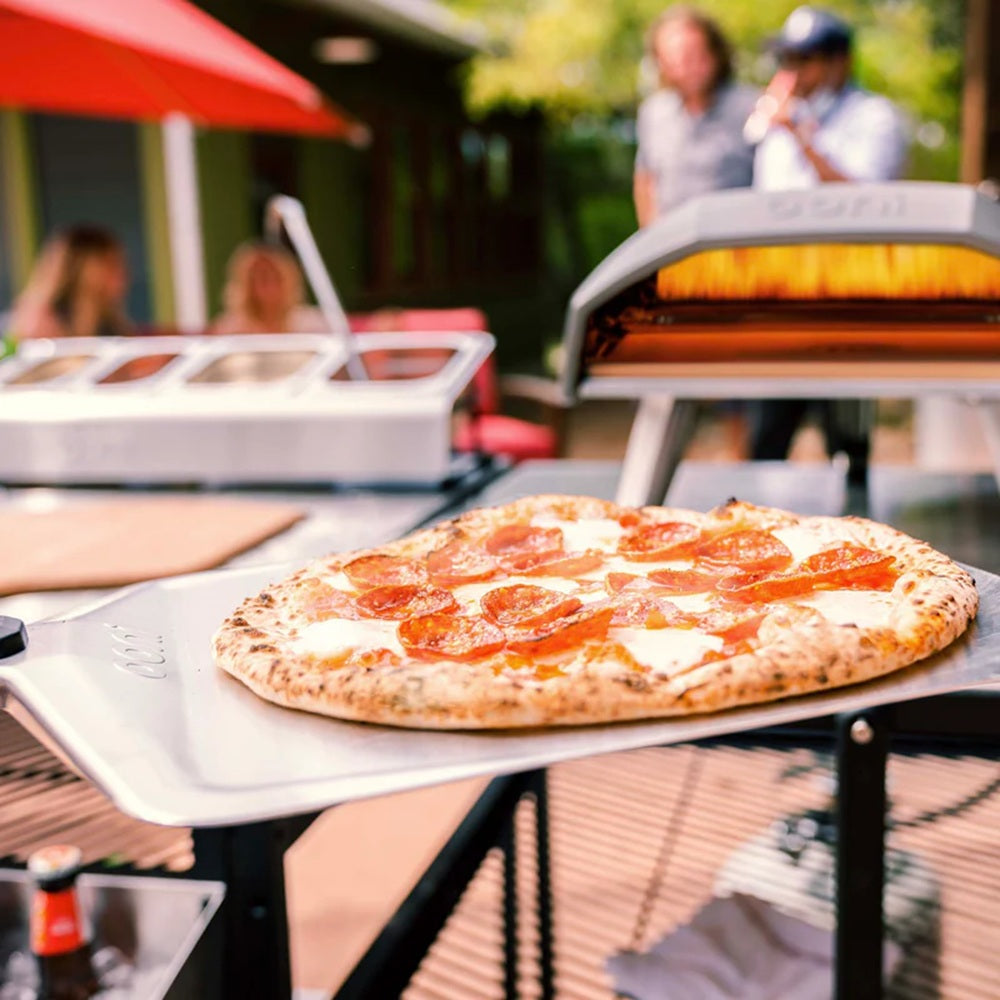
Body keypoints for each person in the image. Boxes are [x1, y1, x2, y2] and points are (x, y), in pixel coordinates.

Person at [749, 6, 908, 484]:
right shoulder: (773, 125)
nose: (793, 69)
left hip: (846, 299)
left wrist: (800, 136)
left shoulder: (874, 117)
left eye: (805, 57)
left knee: (847, 443)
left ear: (839, 61)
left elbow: (866, 201)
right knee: (767, 438)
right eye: (787, 57)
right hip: (781, 300)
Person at [633, 6, 757, 227]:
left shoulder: (751, 106)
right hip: (674, 244)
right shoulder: (654, 113)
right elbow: (645, 179)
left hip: (736, 240)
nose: (685, 67)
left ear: (714, 53)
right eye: (673, 58)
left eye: (692, 55)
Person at [6, 225, 130, 341]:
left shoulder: (109, 322)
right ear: (82, 271)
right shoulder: (37, 323)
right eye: (111, 265)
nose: (123, 274)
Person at [211, 241, 328, 335]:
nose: (268, 282)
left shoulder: (313, 325)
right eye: (258, 276)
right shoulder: (230, 330)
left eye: (275, 275)